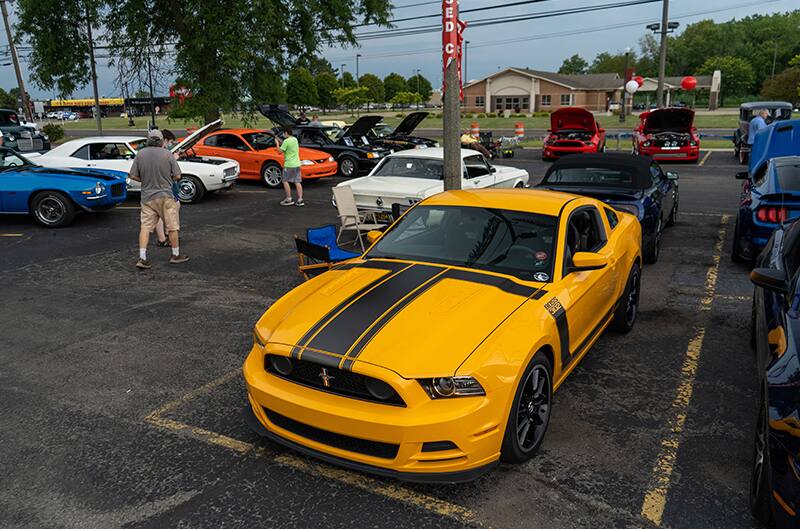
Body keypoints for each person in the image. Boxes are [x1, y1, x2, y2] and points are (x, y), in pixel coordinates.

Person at [129, 129, 189, 269]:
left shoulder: (140, 154)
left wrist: (144, 180)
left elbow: (132, 176)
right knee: (172, 226)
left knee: (145, 227)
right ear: (162, 140)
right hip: (166, 195)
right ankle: (175, 255)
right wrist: (168, 179)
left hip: (147, 197)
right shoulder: (167, 154)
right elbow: (178, 176)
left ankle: (142, 257)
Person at [153, 129, 180, 247]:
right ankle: (164, 238)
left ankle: (165, 235)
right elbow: (172, 172)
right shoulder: (164, 153)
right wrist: (174, 159)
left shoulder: (151, 152)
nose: (170, 145)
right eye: (170, 142)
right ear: (164, 140)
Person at [274, 126, 304, 207]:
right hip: (297, 164)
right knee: (297, 181)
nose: (283, 134)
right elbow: (285, 144)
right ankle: (300, 199)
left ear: (286, 133)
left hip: (289, 165)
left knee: (285, 181)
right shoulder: (294, 139)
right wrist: (280, 141)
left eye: (284, 133)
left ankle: (288, 198)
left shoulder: (286, 141)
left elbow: (279, 151)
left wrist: (277, 143)